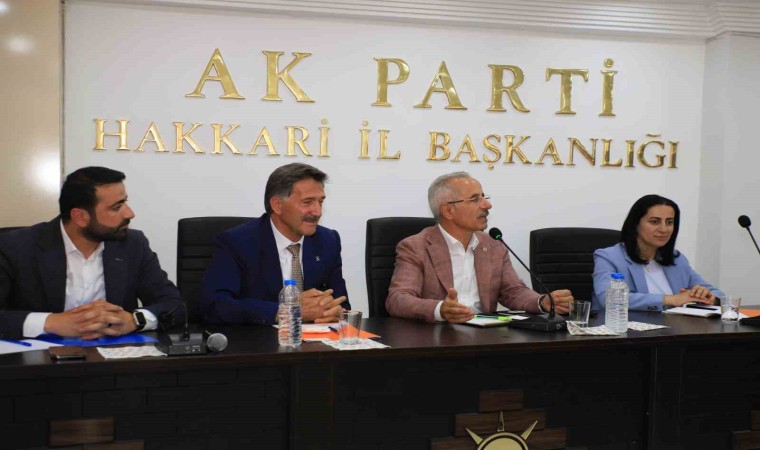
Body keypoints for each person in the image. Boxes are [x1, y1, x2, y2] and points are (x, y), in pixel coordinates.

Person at [0, 167, 184, 340]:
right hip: (38, 358)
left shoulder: (133, 244)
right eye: (116, 207)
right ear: (80, 217)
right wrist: (50, 322)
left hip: (115, 357)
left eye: (125, 202)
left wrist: (135, 320)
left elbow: (174, 304)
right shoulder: (16, 247)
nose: (129, 214)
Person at [386, 172, 574, 323]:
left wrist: (542, 301)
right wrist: (439, 309)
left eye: (484, 197)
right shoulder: (415, 247)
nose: (487, 205)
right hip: (436, 337)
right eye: (475, 199)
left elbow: (513, 291)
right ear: (448, 210)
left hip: (485, 337)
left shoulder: (493, 244)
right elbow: (398, 299)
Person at [201, 163, 349, 325]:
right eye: (307, 202)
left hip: (317, 338)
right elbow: (216, 306)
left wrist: (334, 312)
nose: (317, 212)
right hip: (258, 338)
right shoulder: (237, 242)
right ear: (277, 205)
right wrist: (287, 312)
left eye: (320, 202)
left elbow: (341, 303)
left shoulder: (328, 241)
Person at [592, 194, 724, 311]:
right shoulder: (609, 257)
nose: (664, 229)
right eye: (654, 222)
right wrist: (670, 299)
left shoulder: (677, 259)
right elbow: (608, 298)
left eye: (669, 222)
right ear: (635, 224)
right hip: (628, 328)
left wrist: (707, 296)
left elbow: (718, 294)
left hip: (675, 327)